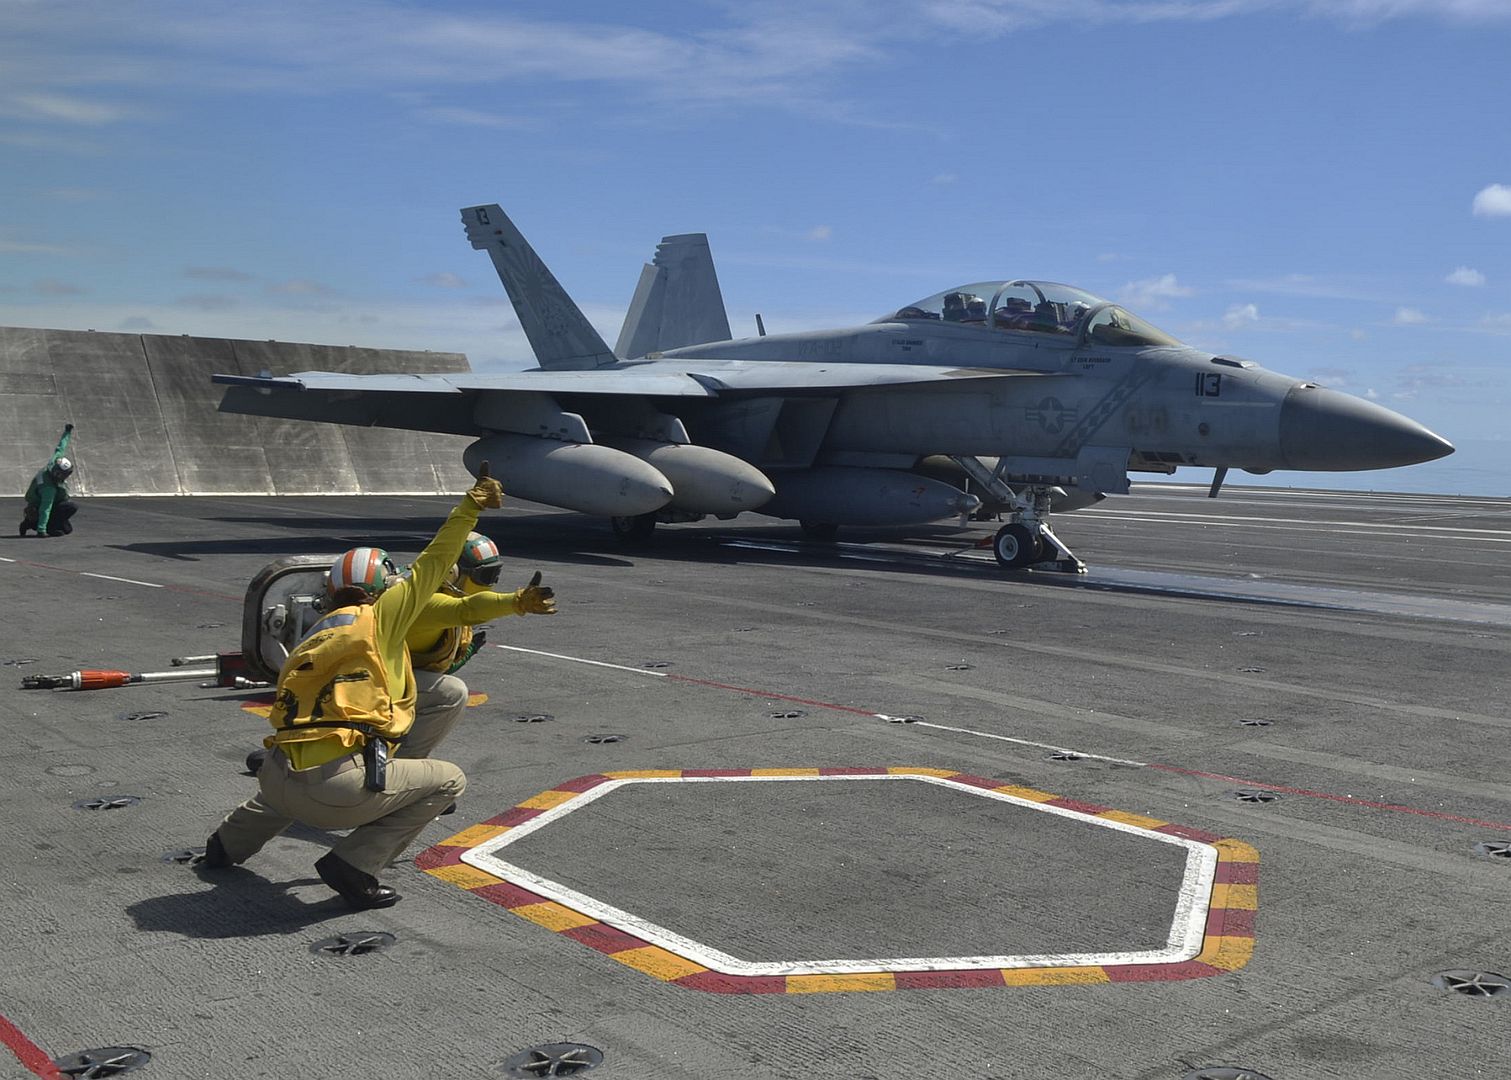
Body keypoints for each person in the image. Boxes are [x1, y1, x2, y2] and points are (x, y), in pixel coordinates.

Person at [203, 464, 513, 910]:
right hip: (337, 794)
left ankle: (226, 845)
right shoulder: (381, 620)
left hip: (277, 775)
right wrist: (470, 507)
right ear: (380, 589)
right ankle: (355, 865)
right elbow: (436, 560)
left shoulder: (316, 632)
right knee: (449, 781)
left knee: (310, 754)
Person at [402, 531, 556, 762]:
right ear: (452, 572)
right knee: (452, 694)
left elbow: (430, 666)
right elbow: (468, 609)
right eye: (485, 575)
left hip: (398, 677)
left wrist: (467, 652)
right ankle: (404, 764)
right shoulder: (423, 599)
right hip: (375, 683)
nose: (490, 583)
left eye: (495, 574)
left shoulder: (448, 603)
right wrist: (515, 602)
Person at [20, 423, 76, 537]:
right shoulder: (48, 487)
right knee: (71, 507)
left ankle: (33, 523)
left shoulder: (55, 462)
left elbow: (61, 447)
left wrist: (67, 432)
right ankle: (37, 525)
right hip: (39, 505)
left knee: (67, 529)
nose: (66, 477)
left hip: (51, 501)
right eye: (64, 474)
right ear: (57, 473)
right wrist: (42, 530)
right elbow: (46, 508)